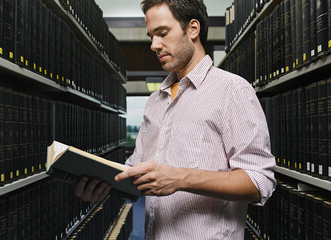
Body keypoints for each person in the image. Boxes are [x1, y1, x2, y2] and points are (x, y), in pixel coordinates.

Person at [75, 0, 276, 239]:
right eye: (151, 36)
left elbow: (259, 180)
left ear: (193, 28)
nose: (153, 45)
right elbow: (137, 169)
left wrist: (181, 178)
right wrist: (105, 185)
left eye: (162, 33)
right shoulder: (154, 101)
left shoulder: (233, 91)